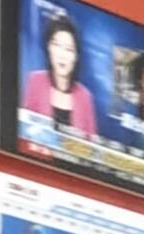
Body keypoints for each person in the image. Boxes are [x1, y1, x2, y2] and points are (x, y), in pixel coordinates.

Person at [17, 9, 98, 144]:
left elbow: (93, 144)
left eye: (69, 49)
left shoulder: (85, 97)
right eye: (57, 45)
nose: (62, 55)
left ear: (76, 56)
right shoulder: (36, 81)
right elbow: (24, 131)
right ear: (49, 48)